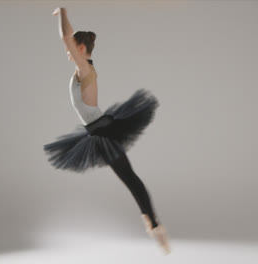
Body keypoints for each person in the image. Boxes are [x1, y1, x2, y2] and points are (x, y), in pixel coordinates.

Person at [44, 7, 171, 254]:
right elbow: (69, 40)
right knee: (130, 178)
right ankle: (154, 225)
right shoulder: (83, 68)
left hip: (104, 132)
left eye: (72, 49)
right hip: (97, 130)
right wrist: (65, 19)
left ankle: (156, 227)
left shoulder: (85, 69)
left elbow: (65, 38)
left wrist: (63, 12)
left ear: (80, 49)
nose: (68, 54)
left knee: (131, 179)